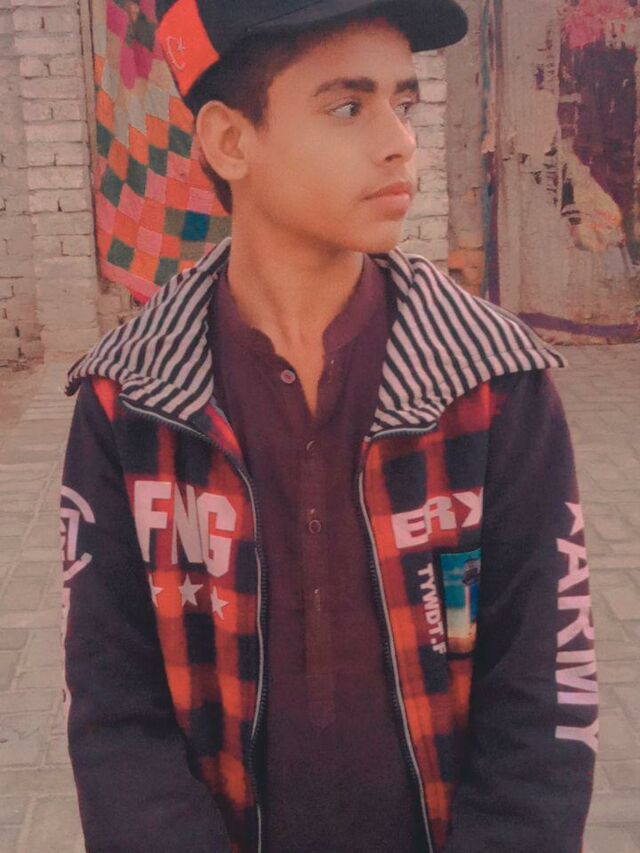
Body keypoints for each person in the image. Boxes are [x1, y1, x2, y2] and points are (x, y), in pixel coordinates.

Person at [60, 2, 599, 851]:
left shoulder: (491, 383)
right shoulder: (129, 400)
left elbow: (545, 690)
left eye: (404, 102)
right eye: (348, 107)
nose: (399, 142)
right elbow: (112, 709)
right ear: (229, 141)